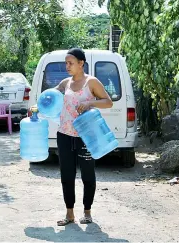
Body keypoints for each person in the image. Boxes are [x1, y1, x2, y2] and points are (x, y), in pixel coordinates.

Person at [53, 48, 113, 226]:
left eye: (70, 63)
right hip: (64, 134)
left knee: (88, 174)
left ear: (81, 64)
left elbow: (108, 102)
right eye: (66, 63)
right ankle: (69, 213)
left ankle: (87, 212)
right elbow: (51, 97)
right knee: (67, 175)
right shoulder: (65, 83)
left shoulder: (91, 82)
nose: (67, 66)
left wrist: (89, 103)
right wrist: (37, 107)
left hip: (86, 136)